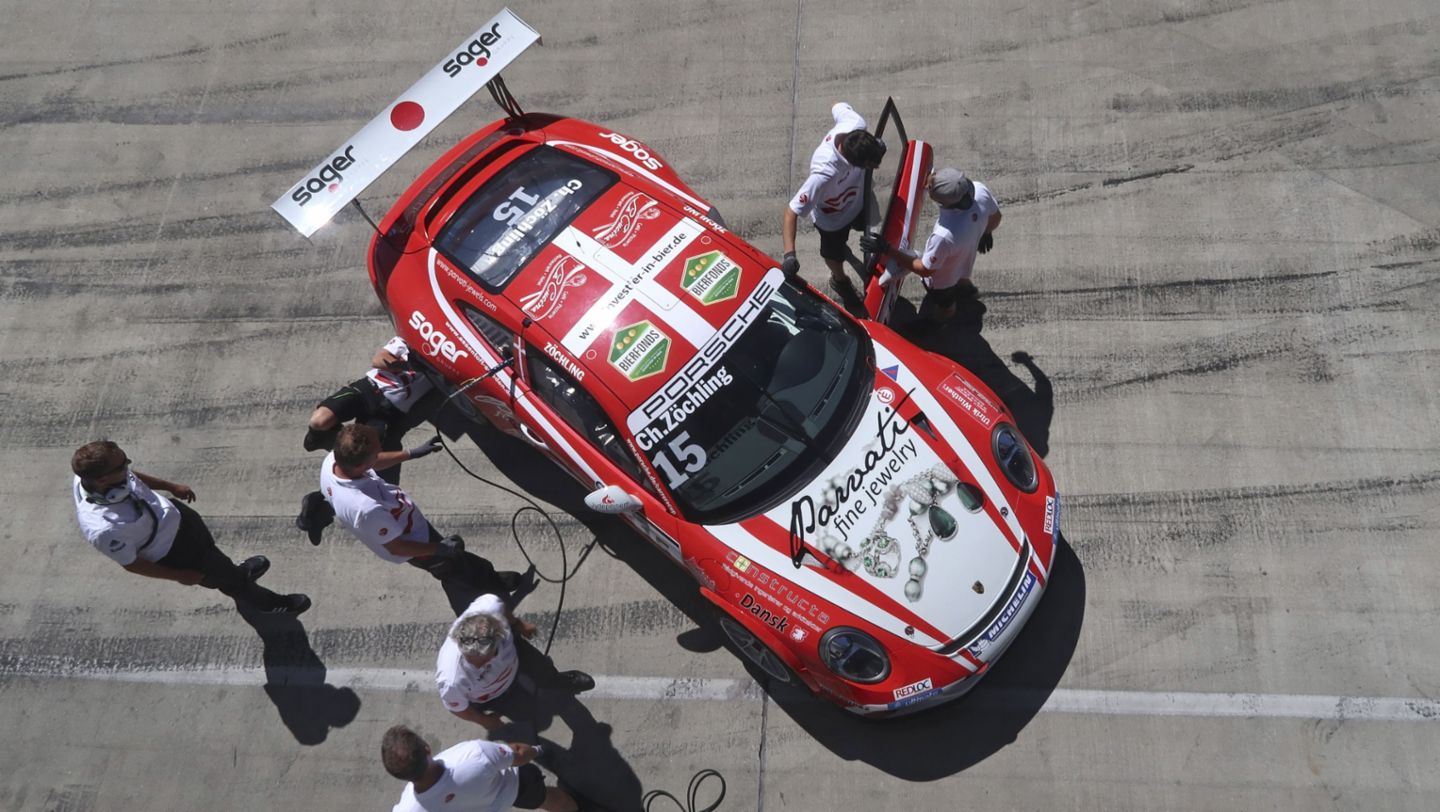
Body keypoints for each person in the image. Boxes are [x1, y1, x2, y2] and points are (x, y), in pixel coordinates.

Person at [70, 440, 310, 614]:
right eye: (123, 465)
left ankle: (233, 571)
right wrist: (179, 576)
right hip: (175, 553)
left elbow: (133, 476)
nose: (128, 466)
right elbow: (131, 563)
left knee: (217, 560)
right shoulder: (102, 528)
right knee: (230, 582)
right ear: (101, 480)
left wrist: (170, 486)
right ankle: (271, 604)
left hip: (182, 522)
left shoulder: (109, 474)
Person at [321, 424, 521, 605]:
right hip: (415, 543)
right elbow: (397, 547)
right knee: (456, 571)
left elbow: (373, 462)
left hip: (411, 524)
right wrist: (439, 549)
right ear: (359, 467)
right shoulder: (365, 508)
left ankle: (484, 580)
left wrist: (411, 453)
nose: (380, 453)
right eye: (377, 453)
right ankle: (485, 596)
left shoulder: (335, 459)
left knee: (459, 566)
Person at [861, 167, 1002, 327]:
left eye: (931, 189)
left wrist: (887, 249)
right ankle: (967, 291)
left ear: (941, 202)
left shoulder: (944, 235)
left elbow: (925, 269)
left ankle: (938, 323)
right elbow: (996, 217)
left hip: (944, 279)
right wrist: (985, 233)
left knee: (945, 303)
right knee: (961, 270)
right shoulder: (980, 190)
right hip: (965, 257)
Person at [438, 593, 594, 732]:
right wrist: (485, 721)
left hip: (517, 656)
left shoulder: (488, 607)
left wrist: (519, 624)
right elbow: (457, 707)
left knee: (543, 669)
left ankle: (558, 680)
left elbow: (499, 604)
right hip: (494, 695)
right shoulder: (451, 680)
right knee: (531, 717)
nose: (489, 663)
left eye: (491, 656)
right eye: (477, 661)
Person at [781, 102, 887, 302]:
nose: (876, 168)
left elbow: (837, 106)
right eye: (871, 165)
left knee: (866, 228)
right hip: (832, 221)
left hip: (857, 202)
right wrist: (789, 255)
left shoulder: (855, 123)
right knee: (833, 255)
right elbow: (791, 211)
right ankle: (840, 280)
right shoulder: (824, 173)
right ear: (852, 164)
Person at [383, 725, 578, 812]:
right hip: (514, 787)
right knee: (553, 800)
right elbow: (518, 755)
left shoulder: (407, 808)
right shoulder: (473, 754)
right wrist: (537, 750)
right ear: (426, 747)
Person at [303, 336, 434, 453]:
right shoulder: (415, 337)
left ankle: (340, 443)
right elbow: (378, 360)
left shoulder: (449, 361)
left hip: (391, 411)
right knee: (318, 421)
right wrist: (408, 366)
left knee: (359, 450)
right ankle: (319, 435)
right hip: (368, 389)